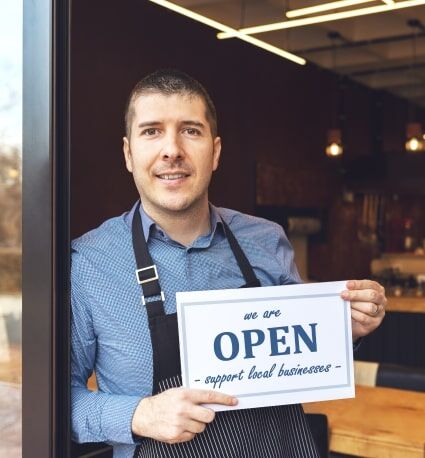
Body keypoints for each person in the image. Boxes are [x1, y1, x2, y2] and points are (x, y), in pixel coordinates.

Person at [71, 69, 387, 458]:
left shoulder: (267, 240)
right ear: (128, 153)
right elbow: (56, 401)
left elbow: (307, 358)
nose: (172, 150)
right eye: (152, 131)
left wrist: (347, 328)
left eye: (191, 130)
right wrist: (139, 414)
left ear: (215, 152)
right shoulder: (88, 263)